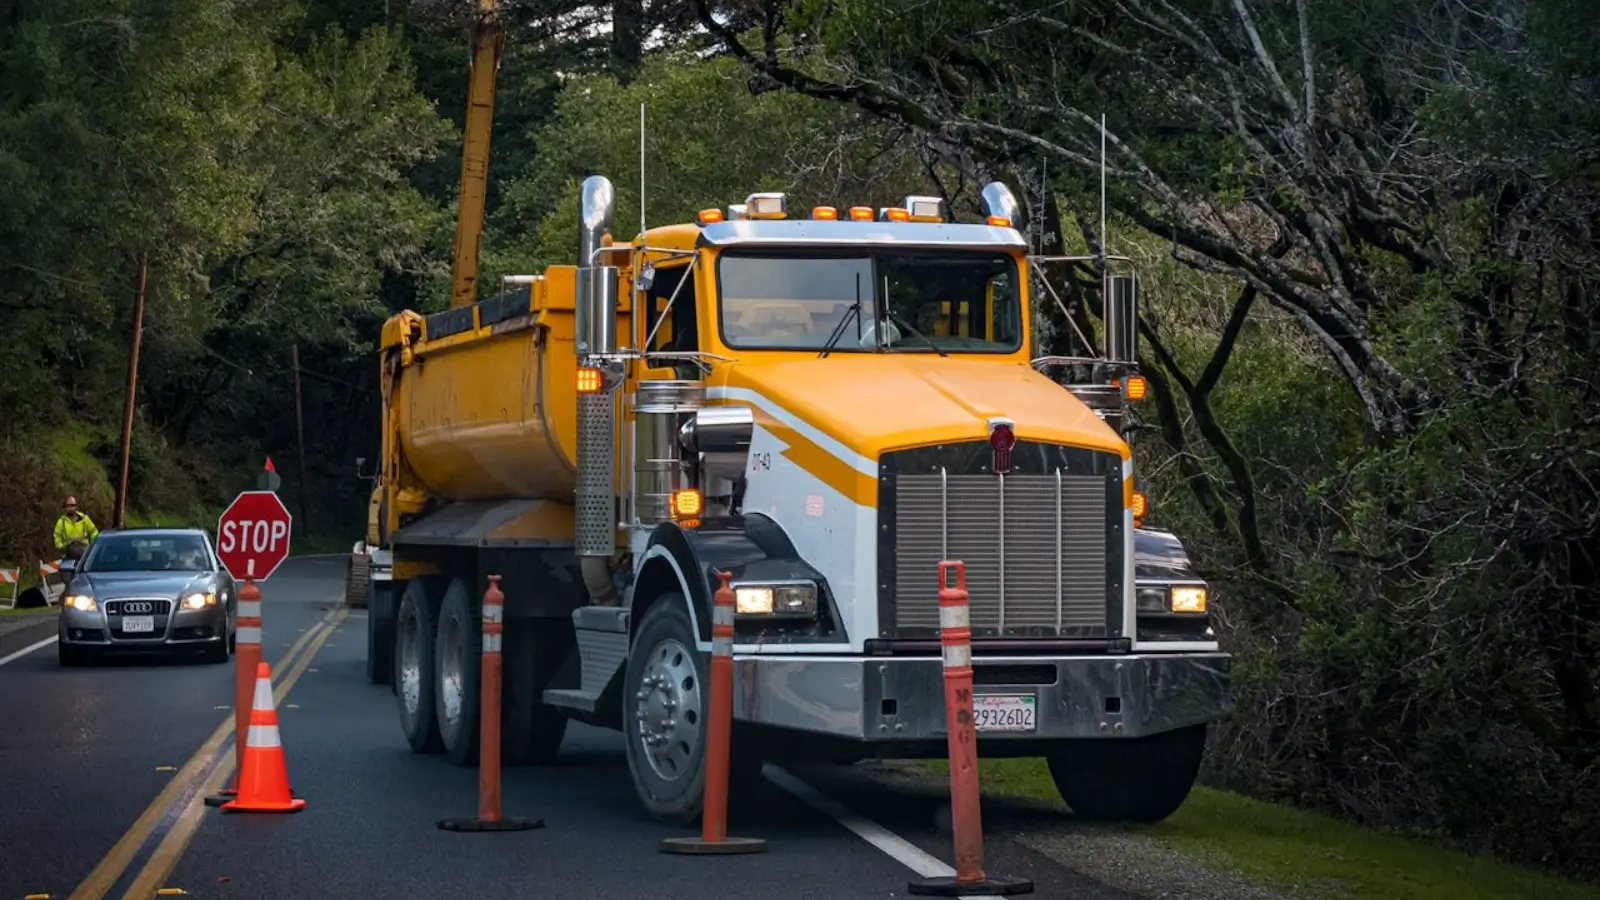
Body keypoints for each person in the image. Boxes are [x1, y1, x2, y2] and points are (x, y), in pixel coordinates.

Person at [53, 496, 99, 560]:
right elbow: (57, 536)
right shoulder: (61, 522)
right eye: (68, 506)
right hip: (68, 554)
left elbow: (94, 532)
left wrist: (93, 546)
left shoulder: (84, 519)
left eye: (72, 506)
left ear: (76, 506)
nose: (70, 508)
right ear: (65, 507)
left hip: (84, 552)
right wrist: (61, 547)